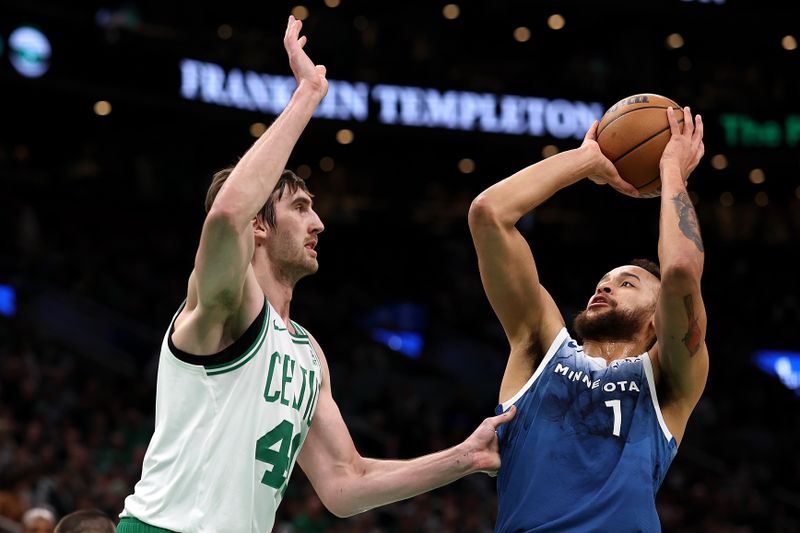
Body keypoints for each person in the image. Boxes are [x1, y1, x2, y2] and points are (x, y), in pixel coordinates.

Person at [117, 15, 515, 533]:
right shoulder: (224, 304)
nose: (319, 223)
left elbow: (346, 485)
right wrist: (308, 93)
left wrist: (465, 457)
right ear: (259, 224)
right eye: (301, 207)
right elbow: (225, 215)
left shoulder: (308, 352)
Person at [468, 105, 707, 532]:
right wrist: (585, 160)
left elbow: (681, 272)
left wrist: (672, 171)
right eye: (603, 282)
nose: (605, 287)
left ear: (658, 319)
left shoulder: (667, 380)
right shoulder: (539, 347)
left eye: (628, 283)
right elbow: (490, 214)